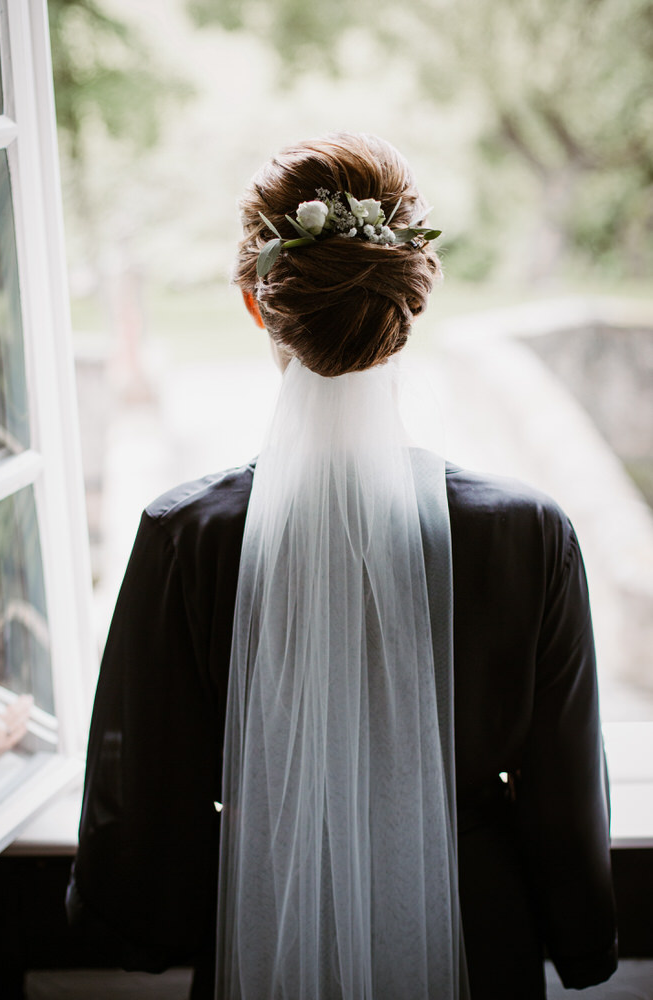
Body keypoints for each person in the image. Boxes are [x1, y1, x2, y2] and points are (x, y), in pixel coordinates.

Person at [67, 133, 617, 999]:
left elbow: (145, 789)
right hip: (477, 932)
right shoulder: (530, 535)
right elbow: (563, 790)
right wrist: (583, 945)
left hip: (264, 920)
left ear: (256, 303)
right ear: (411, 299)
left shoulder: (184, 536)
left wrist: (132, 924)